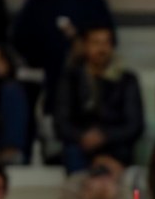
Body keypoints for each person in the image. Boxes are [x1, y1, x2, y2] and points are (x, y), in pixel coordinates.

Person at [11, 0, 115, 97]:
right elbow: (19, 40)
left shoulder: (93, 2)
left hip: (88, 82)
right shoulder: (36, 3)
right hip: (43, 83)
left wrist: (85, 49)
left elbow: (109, 40)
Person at [51, 26, 144, 172]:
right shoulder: (70, 79)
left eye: (106, 43)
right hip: (79, 144)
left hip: (116, 146)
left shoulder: (127, 80)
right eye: (95, 42)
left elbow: (134, 125)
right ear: (85, 46)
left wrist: (105, 136)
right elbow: (61, 123)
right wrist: (82, 136)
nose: (101, 48)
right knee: (73, 153)